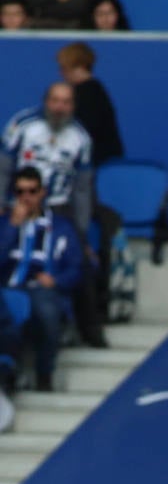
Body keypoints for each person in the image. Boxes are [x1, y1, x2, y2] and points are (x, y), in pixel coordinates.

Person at [0, 164, 83, 391]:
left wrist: (57, 281)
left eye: (32, 191)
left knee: (47, 312)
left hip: (41, 288)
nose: (26, 197)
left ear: (42, 192)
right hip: (7, 288)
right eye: (20, 192)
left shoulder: (61, 226)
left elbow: (76, 268)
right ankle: (8, 372)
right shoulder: (5, 222)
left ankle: (44, 373)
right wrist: (11, 227)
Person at [55, 42, 123, 167]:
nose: (61, 74)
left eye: (64, 68)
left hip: (96, 164)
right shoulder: (95, 91)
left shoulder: (88, 95)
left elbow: (82, 133)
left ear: (79, 67)